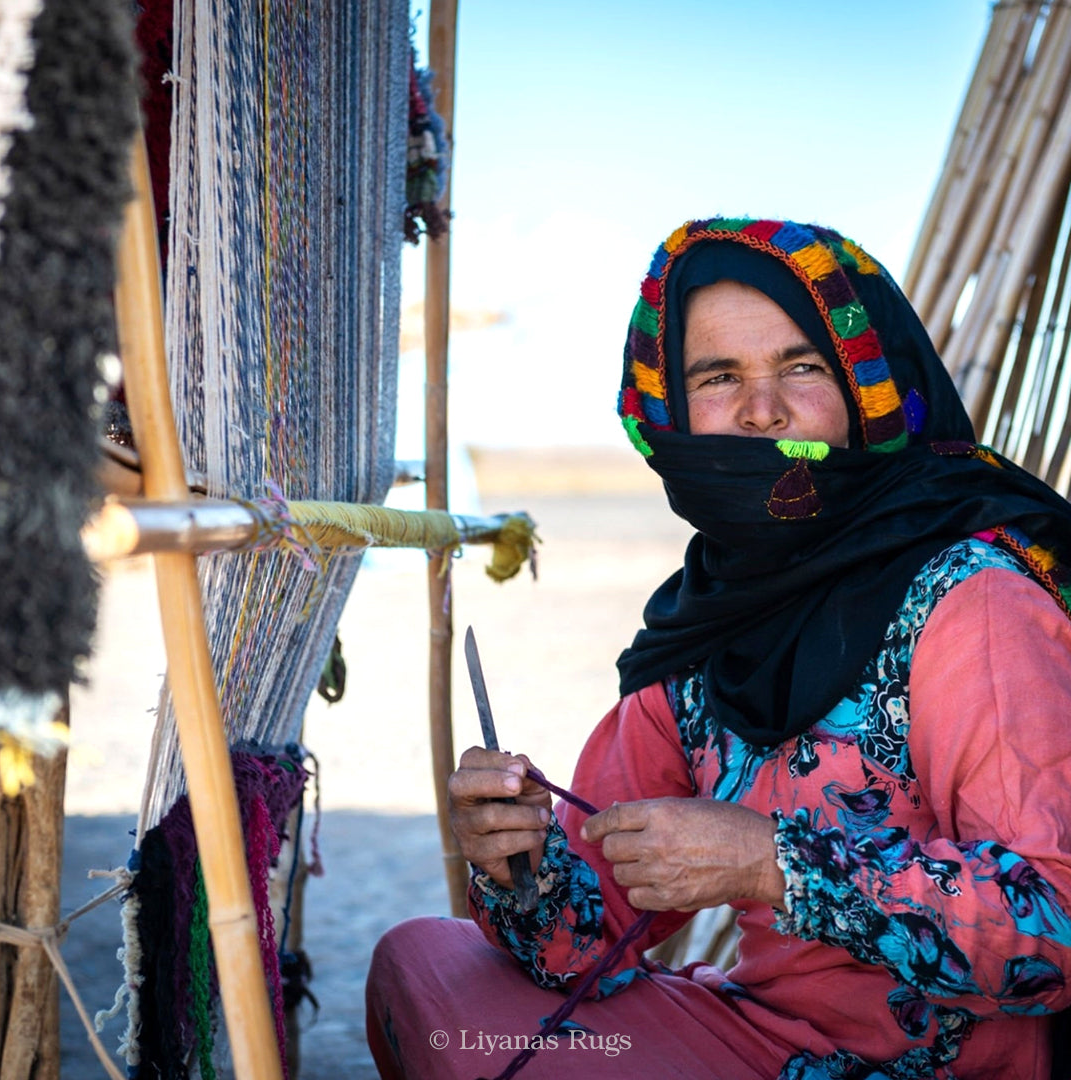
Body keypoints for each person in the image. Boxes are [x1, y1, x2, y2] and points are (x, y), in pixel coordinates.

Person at [366, 217, 1071, 1079]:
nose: (761, 409)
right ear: (672, 410)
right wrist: (524, 865)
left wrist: (770, 864)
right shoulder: (705, 625)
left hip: (935, 1070)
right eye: (719, 376)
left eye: (801, 366)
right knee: (426, 967)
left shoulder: (973, 600)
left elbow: (1054, 927)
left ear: (868, 388)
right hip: (753, 1039)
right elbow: (591, 942)